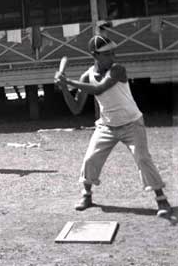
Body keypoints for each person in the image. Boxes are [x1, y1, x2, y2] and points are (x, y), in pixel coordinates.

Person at [54, 35, 173, 217]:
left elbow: (99, 89)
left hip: (132, 123)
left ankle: (161, 199)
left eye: (112, 52)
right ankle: (86, 195)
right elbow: (76, 108)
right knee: (90, 159)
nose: (112, 56)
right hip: (106, 126)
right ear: (95, 55)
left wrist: (67, 81)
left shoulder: (117, 69)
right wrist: (63, 88)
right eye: (107, 54)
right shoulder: (87, 76)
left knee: (142, 158)